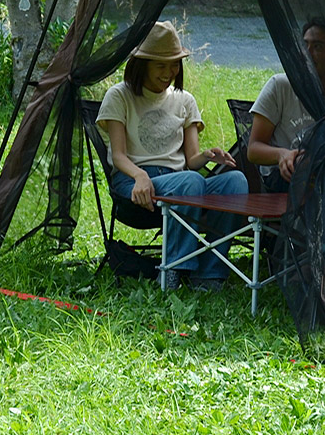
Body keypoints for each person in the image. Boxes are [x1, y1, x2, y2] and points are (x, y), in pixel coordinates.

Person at [98, 20, 247, 291]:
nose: (169, 72)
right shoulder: (119, 96)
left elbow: (191, 161)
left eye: (175, 64)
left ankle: (211, 274)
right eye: (161, 65)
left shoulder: (185, 100)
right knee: (190, 182)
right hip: (133, 183)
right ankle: (173, 271)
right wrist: (140, 175)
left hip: (182, 184)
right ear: (142, 64)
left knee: (235, 182)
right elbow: (118, 155)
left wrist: (207, 155)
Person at [247, 17, 325, 192]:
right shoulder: (281, 86)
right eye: (304, 46)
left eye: (317, 47)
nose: (307, 53)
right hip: (285, 179)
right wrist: (282, 154)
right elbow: (253, 149)